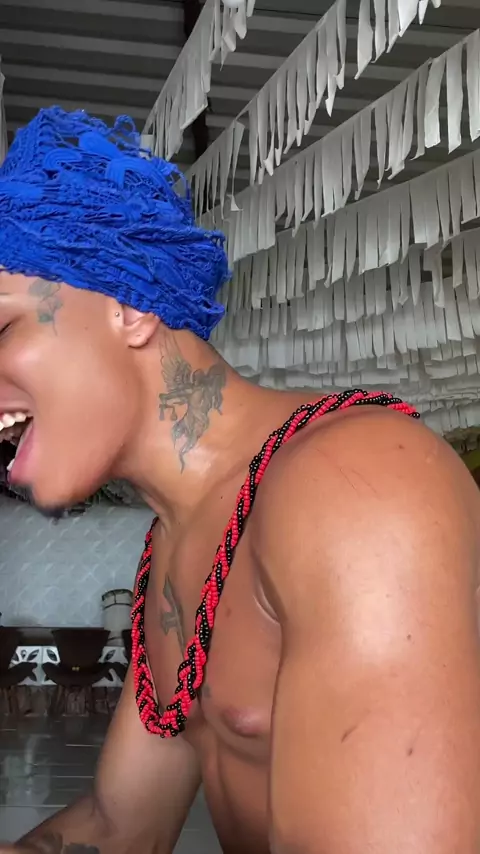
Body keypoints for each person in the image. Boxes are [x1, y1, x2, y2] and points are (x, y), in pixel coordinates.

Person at [0, 107, 479, 854]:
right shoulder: (175, 543)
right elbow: (122, 827)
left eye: (3, 328)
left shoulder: (353, 483)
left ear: (128, 308)